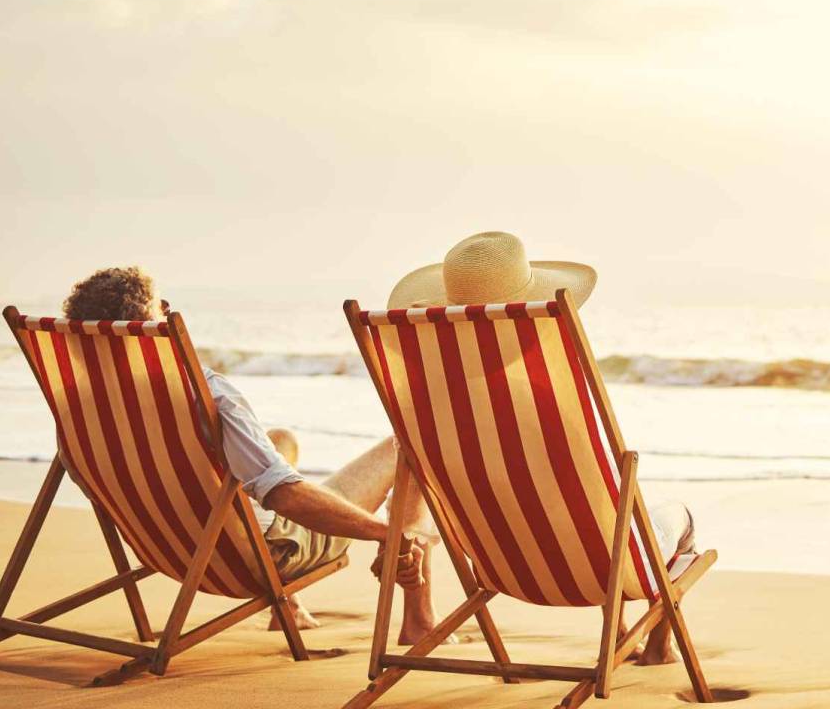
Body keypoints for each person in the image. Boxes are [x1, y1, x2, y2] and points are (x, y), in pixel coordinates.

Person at [60, 266, 440, 643]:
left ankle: (287, 607)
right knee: (410, 442)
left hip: (172, 552)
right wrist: (389, 535)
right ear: (150, 324)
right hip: (258, 558)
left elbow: (83, 477)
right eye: (162, 307)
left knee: (280, 440)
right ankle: (419, 620)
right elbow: (284, 496)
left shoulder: (80, 406)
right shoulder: (203, 393)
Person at [389, 231, 696, 664]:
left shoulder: (430, 408)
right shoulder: (547, 396)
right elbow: (594, 494)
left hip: (503, 569)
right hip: (601, 572)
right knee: (673, 517)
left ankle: (623, 632)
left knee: (598, 518)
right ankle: (659, 648)